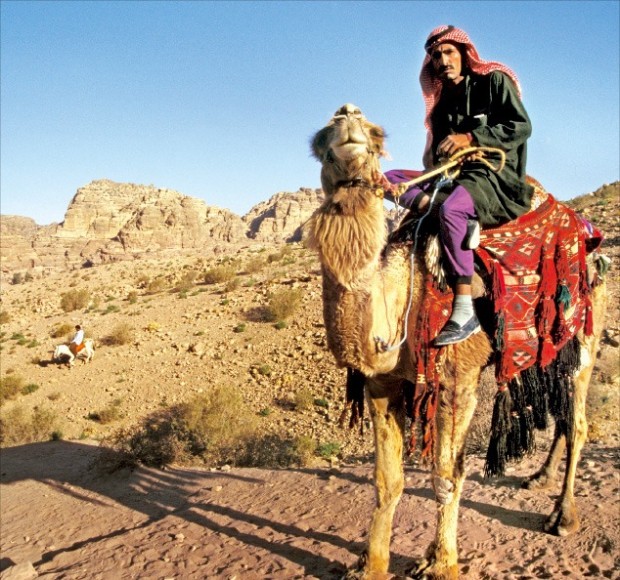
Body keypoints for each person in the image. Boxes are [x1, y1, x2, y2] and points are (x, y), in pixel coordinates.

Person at [384, 25, 533, 346]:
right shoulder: (442, 105)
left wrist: (471, 138)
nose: (442, 60)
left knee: (452, 209)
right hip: (454, 177)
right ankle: (441, 209)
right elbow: (437, 155)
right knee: (388, 180)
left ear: (465, 54)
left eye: (449, 52)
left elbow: (521, 126)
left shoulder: (494, 82)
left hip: (494, 176)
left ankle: (464, 309)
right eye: (436, 55)